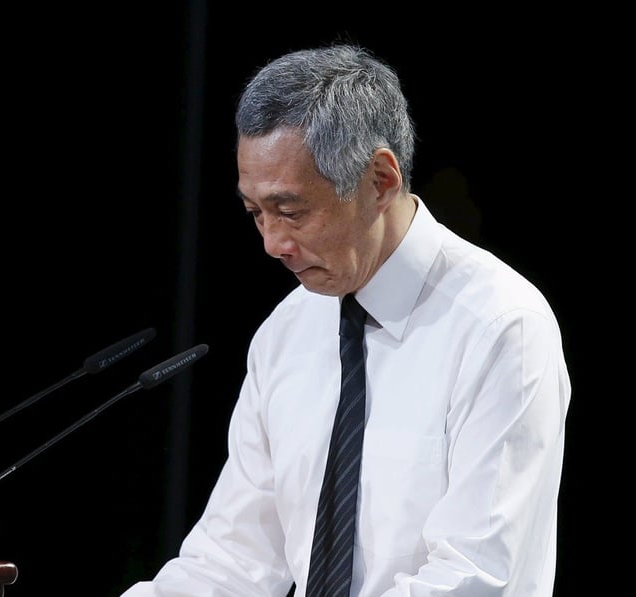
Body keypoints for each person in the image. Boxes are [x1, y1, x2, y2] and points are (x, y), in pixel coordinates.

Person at [122, 43, 571, 596]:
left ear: (380, 180)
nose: (272, 243)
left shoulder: (501, 327)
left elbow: (476, 578)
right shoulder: (287, 332)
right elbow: (230, 563)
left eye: (291, 211)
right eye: (254, 213)